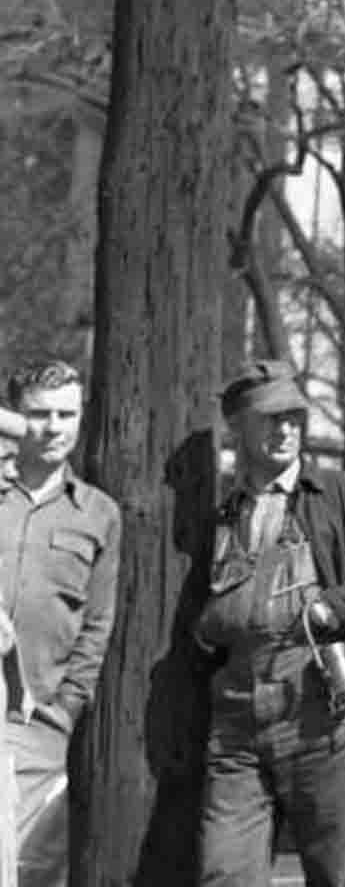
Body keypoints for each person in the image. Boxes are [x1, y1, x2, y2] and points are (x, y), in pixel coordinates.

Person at [194, 360, 345, 887]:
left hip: (323, 712)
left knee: (335, 875)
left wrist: (332, 609)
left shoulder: (342, 495)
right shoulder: (222, 513)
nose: (285, 429)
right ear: (239, 428)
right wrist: (205, 630)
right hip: (236, 721)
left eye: (294, 416)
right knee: (222, 872)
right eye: (270, 418)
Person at [0, 361, 119, 887]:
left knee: (35, 871)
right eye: (38, 414)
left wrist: (68, 707)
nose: (52, 428)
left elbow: (98, 622)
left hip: (42, 721)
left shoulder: (98, 514)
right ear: (15, 418)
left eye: (65, 414)